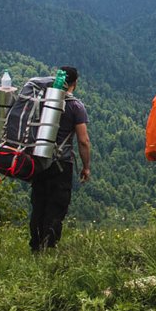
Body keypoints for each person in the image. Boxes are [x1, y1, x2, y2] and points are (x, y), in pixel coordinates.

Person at [30, 66, 91, 252]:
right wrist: (86, 166)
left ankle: (35, 246)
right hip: (61, 163)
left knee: (39, 203)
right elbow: (83, 141)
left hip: (39, 160)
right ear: (75, 83)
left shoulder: (42, 100)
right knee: (56, 206)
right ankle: (49, 247)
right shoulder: (75, 106)